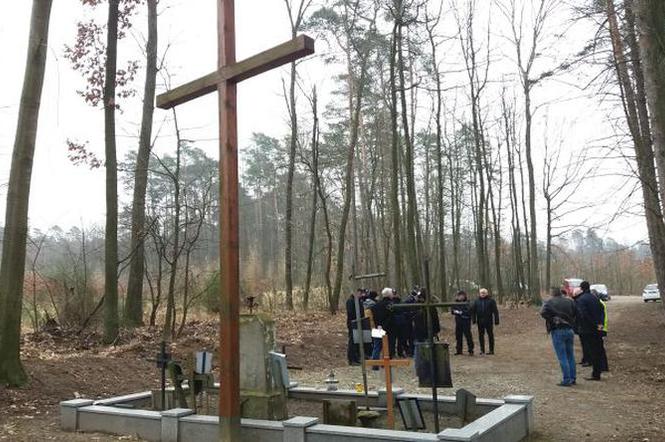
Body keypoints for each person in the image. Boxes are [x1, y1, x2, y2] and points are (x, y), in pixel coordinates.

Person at [541, 287, 577, 386]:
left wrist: (552, 319)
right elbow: (576, 312)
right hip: (569, 330)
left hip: (557, 330)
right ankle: (573, 378)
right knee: (570, 355)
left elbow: (543, 313)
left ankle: (566, 379)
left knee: (562, 356)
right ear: (561, 293)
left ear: (553, 293)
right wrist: (570, 321)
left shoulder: (549, 302)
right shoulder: (570, 301)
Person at [576, 281, 605, 381]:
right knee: (597, 350)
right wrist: (600, 324)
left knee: (592, 352)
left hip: (588, 329)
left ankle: (596, 374)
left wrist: (593, 324)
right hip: (597, 328)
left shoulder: (581, 299)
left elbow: (584, 315)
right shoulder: (595, 298)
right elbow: (602, 310)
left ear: (581, 288)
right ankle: (598, 371)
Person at [470, 288, 499, 355]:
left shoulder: (491, 300)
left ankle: (491, 350)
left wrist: (496, 320)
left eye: (484, 293)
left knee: (490, 335)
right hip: (480, 321)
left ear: (487, 293)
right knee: (481, 336)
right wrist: (474, 320)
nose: (482, 294)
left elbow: (495, 311)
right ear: (479, 294)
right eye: (481, 293)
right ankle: (482, 350)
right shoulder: (476, 301)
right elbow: (473, 311)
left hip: (488, 321)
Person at [592, 289, 610, 372]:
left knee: (600, 349)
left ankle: (603, 366)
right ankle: (602, 366)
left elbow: (602, 317)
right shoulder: (599, 303)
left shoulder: (599, 303)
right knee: (600, 348)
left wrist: (600, 327)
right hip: (602, 327)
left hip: (602, 328)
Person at [451, 290, 474, 355]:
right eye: (459, 296)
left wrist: (461, 312)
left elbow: (469, 311)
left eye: (462, 296)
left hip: (466, 321)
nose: (460, 297)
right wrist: (457, 312)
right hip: (458, 321)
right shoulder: (455, 303)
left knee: (468, 335)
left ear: (464, 296)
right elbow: (452, 311)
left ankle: (470, 350)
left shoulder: (467, 302)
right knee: (458, 336)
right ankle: (459, 350)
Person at [345, 289, 364, 365]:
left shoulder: (358, 301)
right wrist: (356, 318)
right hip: (353, 323)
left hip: (358, 322)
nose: (360, 295)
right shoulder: (350, 301)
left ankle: (356, 358)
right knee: (352, 341)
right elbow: (350, 313)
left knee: (357, 341)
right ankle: (351, 359)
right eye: (359, 293)